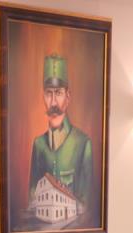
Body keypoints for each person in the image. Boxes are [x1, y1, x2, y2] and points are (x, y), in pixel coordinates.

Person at [28, 55, 94, 213]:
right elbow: (32, 201)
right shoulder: (38, 145)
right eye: (48, 93)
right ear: (43, 97)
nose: (53, 103)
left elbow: (86, 207)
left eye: (58, 93)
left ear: (68, 96)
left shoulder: (83, 143)